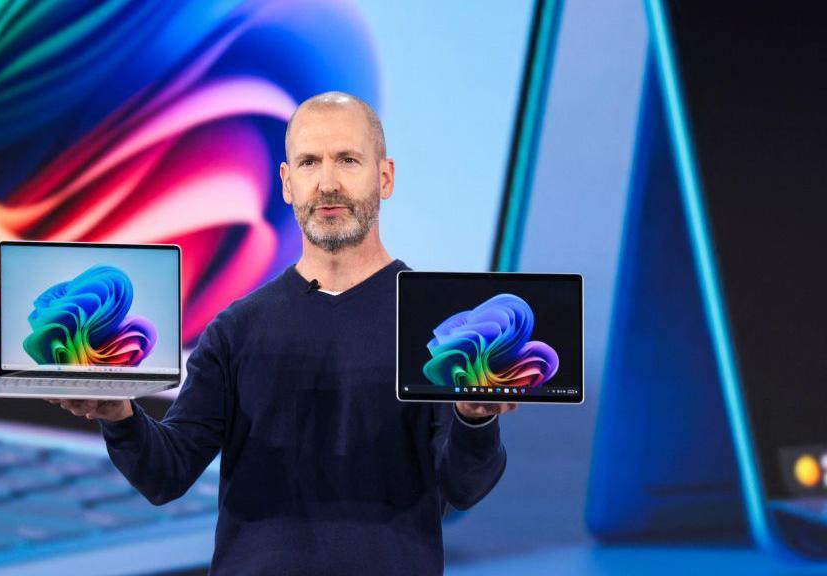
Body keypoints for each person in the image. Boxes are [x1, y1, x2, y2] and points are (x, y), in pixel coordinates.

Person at [51, 91, 515, 575]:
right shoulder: (235, 331)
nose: (328, 183)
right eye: (310, 162)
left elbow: (464, 487)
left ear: (385, 177)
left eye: (348, 160)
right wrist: (119, 415)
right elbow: (166, 474)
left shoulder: (436, 330)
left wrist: (474, 419)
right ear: (287, 182)